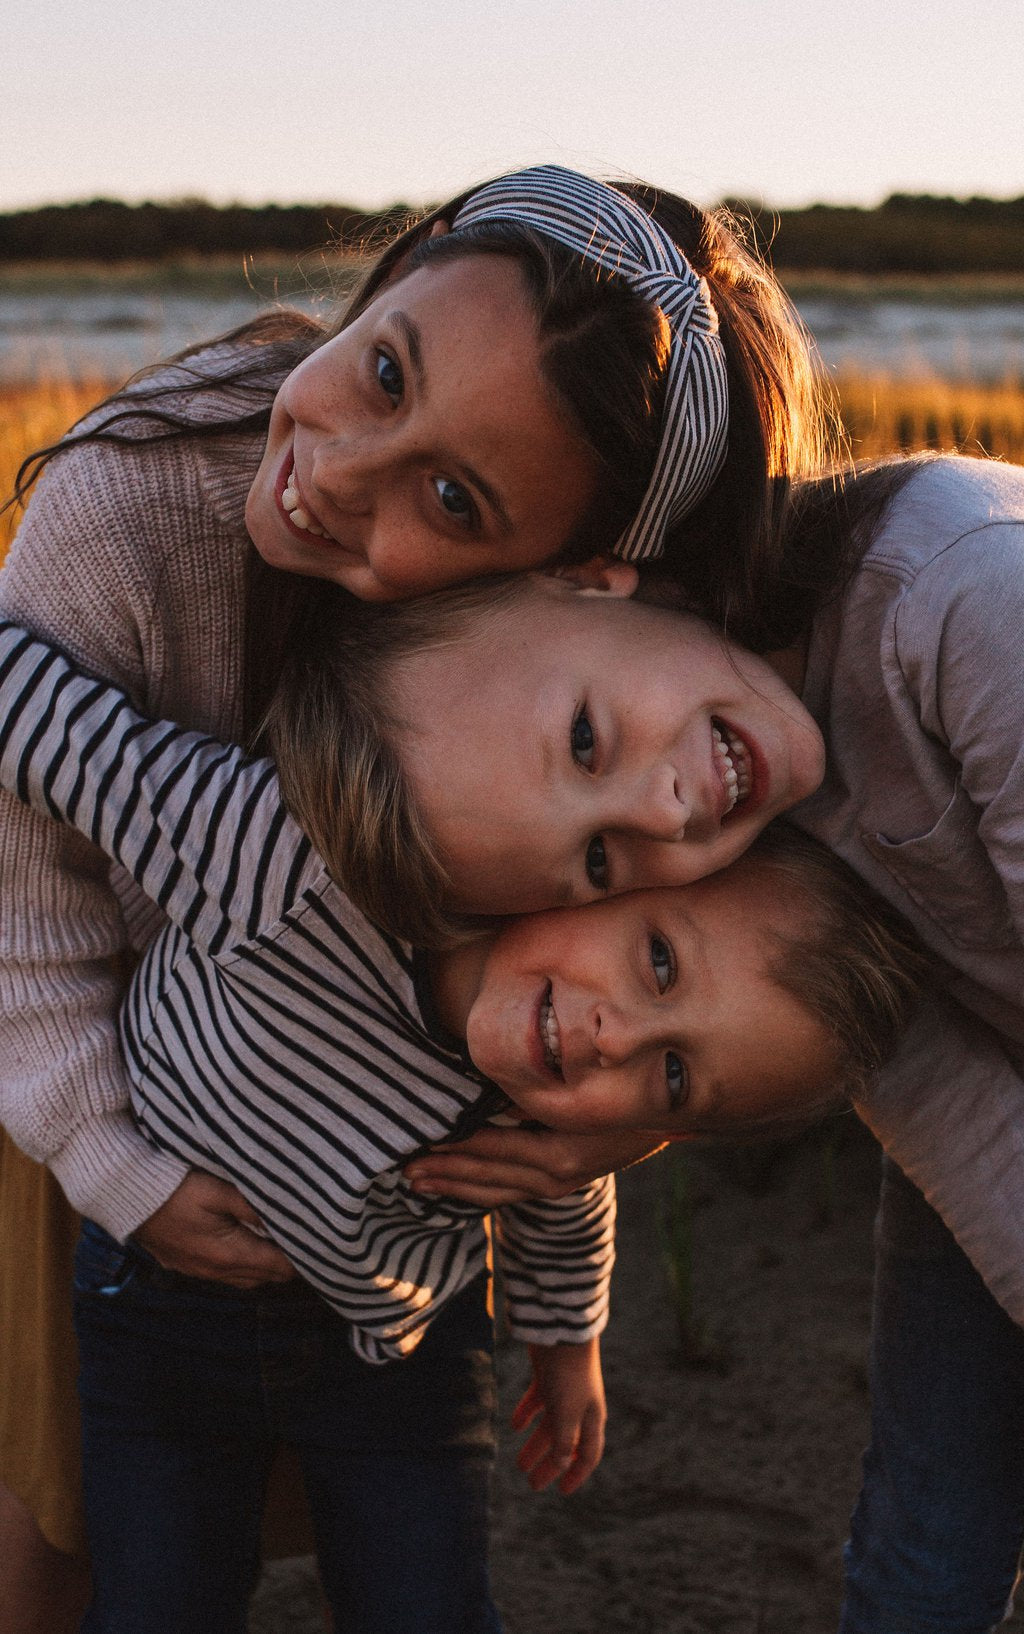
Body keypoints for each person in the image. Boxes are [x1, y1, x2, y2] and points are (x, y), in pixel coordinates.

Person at [0, 164, 832, 1629]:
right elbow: (29, 913)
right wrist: (105, 1155)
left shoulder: (596, 735)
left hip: (372, 1278)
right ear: (407, 265)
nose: (338, 472)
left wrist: (615, 1128)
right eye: (385, 369)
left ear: (575, 575)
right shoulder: (126, 509)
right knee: (73, 1509)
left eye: (454, 499)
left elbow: (665, 986)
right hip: (74, 1068)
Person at [0, 614, 930, 1631]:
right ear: (621, 865)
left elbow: (560, 1187)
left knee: (428, 1603)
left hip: (401, 1347)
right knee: (157, 1600)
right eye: (657, 958)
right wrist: (128, 1179)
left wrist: (563, 1338)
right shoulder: (294, 865)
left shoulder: (552, 1086)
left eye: (673, 1076)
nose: (615, 1037)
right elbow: (72, 743)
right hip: (162, 1314)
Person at [406, 451, 1024, 1634]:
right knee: (925, 1523)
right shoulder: (757, 830)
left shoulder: (959, 600)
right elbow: (925, 1079)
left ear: (605, 581)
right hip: (966, 1040)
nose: (667, 808)